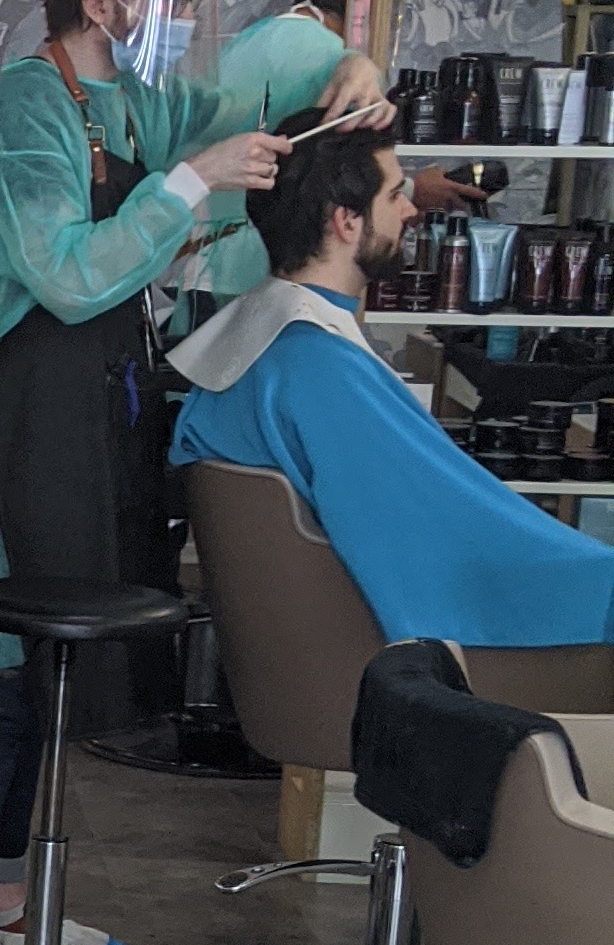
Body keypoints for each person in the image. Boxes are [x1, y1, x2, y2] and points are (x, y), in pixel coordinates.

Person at [0, 0, 388, 945]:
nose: (189, 12)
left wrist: (348, 69)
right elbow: (66, 275)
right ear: (106, 0)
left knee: (56, 680)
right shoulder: (23, 111)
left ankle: (5, 905)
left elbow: (258, 83)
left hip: (104, 405)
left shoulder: (140, 102)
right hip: (33, 419)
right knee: (6, 679)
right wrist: (193, 179)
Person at [171, 119, 614, 649]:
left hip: (303, 649)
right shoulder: (319, 368)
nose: (410, 210)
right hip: (398, 666)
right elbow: (459, 537)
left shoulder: (260, 343)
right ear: (346, 222)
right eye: (394, 195)